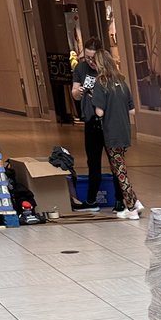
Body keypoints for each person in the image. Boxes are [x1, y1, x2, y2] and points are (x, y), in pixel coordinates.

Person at [91, 48, 143, 220]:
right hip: (124, 131)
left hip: (111, 132)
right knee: (117, 166)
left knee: (120, 170)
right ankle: (135, 202)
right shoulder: (121, 81)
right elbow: (133, 110)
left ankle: (131, 208)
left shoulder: (101, 83)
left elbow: (99, 112)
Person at [71, 38, 123, 210]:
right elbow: (75, 93)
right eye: (87, 57)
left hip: (109, 122)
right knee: (93, 162)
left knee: (115, 162)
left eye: (94, 58)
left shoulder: (109, 72)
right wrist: (78, 92)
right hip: (91, 122)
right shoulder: (81, 68)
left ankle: (120, 200)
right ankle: (92, 199)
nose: (90, 62)